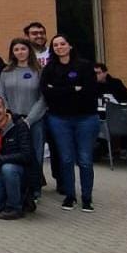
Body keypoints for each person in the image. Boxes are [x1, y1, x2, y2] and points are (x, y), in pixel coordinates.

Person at [40, 34, 100, 212]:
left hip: (86, 118)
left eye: (62, 44)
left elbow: (90, 90)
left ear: (70, 46)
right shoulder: (50, 68)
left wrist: (58, 90)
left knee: (85, 160)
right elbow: (46, 91)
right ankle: (70, 195)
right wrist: (73, 88)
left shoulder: (85, 66)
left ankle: (87, 198)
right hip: (59, 119)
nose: (59, 47)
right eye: (56, 45)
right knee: (65, 159)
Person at [0, 38, 47, 198]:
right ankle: (17, 186)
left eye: (23, 49)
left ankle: (35, 189)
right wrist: (9, 115)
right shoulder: (6, 72)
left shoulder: (39, 71)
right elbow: (1, 95)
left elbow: (43, 98)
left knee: (36, 154)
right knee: (14, 153)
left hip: (34, 120)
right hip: (12, 120)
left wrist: (29, 120)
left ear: (29, 51)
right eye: (16, 49)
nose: (20, 52)